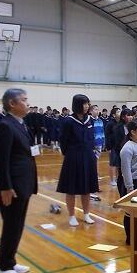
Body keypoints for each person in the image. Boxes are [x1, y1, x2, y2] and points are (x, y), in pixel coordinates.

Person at [0, 88, 38, 273]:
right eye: (24, 100)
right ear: (12, 104)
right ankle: (3, 266)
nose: (28, 103)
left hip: (24, 183)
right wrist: (5, 186)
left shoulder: (20, 123)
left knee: (18, 224)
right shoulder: (5, 126)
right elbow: (1, 160)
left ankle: (10, 261)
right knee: (11, 226)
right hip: (12, 186)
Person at [57, 94, 98, 227]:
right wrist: (70, 154)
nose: (87, 106)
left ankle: (86, 214)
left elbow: (91, 138)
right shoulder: (68, 121)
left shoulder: (89, 120)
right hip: (73, 157)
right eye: (84, 103)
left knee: (87, 188)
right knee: (71, 188)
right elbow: (63, 141)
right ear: (77, 105)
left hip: (88, 156)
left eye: (88, 103)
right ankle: (72, 216)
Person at [89, 105, 105, 201]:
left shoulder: (100, 121)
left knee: (95, 164)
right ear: (91, 111)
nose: (97, 111)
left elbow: (102, 132)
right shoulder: (89, 120)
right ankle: (91, 189)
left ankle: (94, 187)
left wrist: (103, 142)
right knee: (92, 165)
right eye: (95, 109)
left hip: (99, 145)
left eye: (98, 109)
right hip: (92, 146)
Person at [105, 107, 121, 185]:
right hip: (112, 147)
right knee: (112, 164)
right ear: (114, 115)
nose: (120, 113)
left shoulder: (120, 123)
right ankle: (112, 180)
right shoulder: (110, 124)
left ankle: (118, 178)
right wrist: (109, 147)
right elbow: (107, 136)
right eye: (118, 112)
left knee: (119, 164)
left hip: (119, 146)